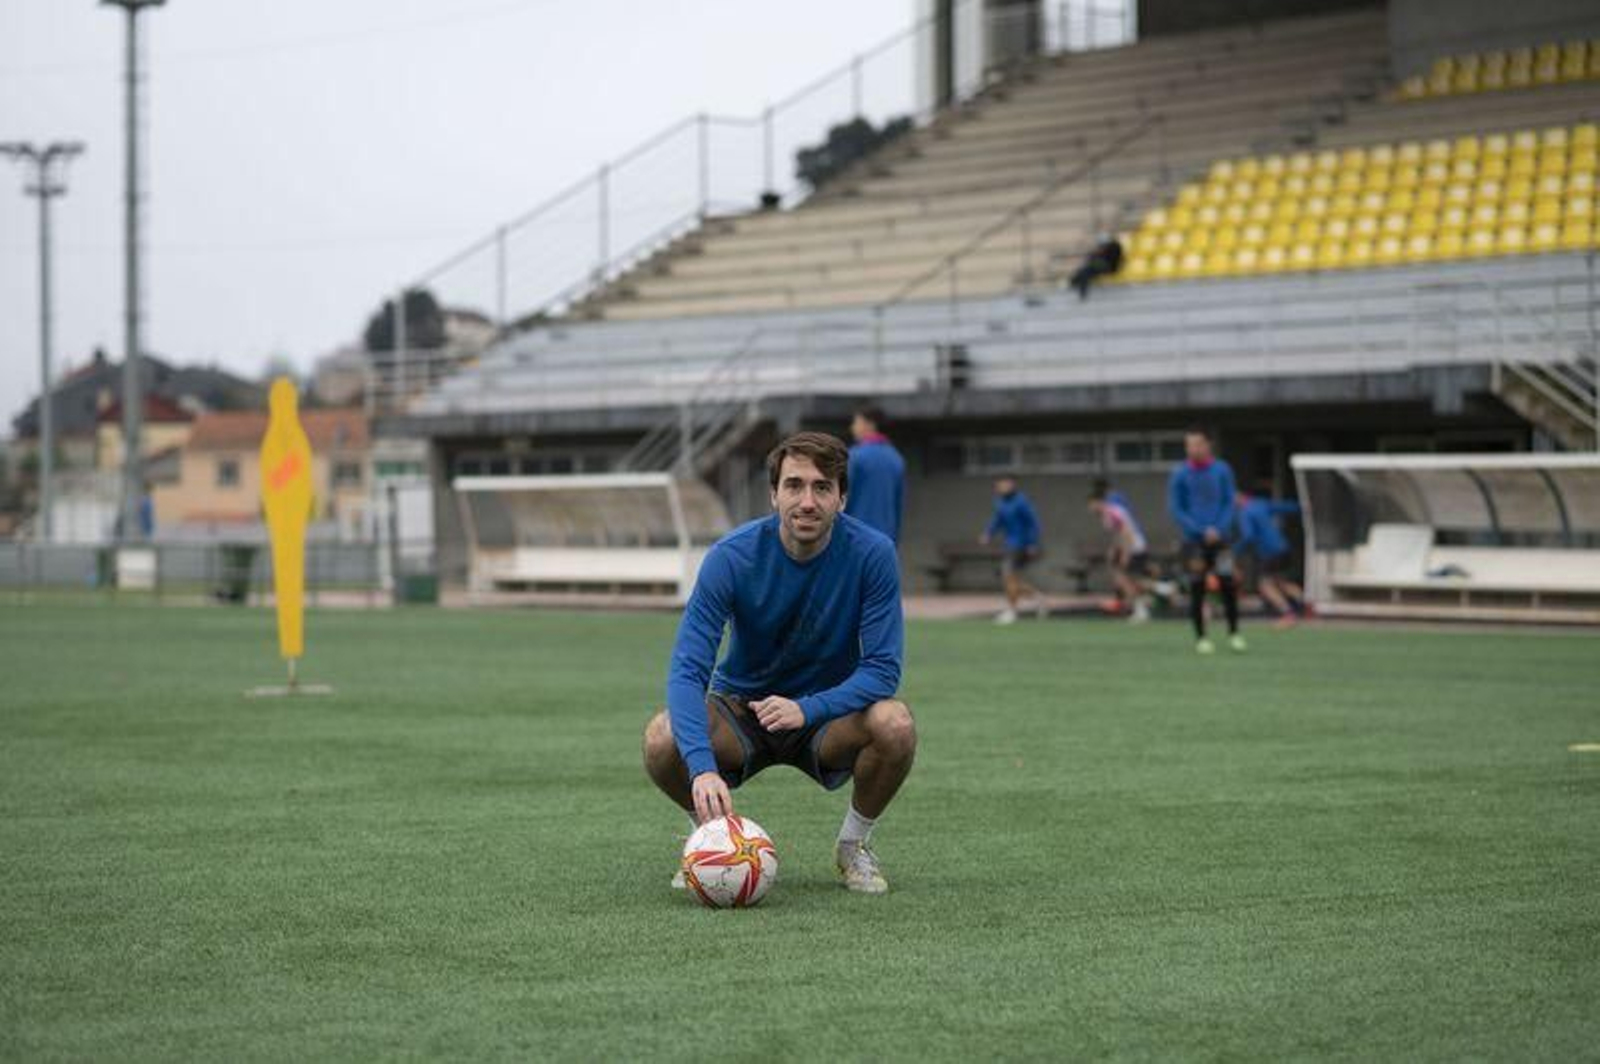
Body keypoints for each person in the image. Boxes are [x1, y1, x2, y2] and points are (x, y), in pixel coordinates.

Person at [643, 431, 915, 895]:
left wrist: (807, 708)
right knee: (663, 737)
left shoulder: (873, 553)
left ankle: (852, 846)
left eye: (822, 487)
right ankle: (710, 840)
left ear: (842, 498)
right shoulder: (731, 556)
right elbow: (689, 670)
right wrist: (703, 766)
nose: (807, 501)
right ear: (773, 494)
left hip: (827, 717)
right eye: (794, 485)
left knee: (895, 724)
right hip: (742, 710)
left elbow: (883, 669)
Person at [1167, 428, 1244, 654]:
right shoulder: (1180, 474)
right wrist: (1200, 530)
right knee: (1197, 587)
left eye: (1197, 444)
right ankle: (1201, 638)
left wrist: (1218, 529)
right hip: (1194, 542)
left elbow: (1229, 502)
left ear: (1208, 445)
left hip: (1222, 540)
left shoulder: (1222, 470)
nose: (1193, 449)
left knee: (1228, 585)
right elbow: (1176, 509)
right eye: (1188, 445)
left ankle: (1234, 633)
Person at [1234, 482, 1307, 627]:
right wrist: (1302, 506)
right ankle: (1308, 607)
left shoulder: (1245, 512)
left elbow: (1248, 536)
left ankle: (1288, 614)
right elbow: (1284, 507)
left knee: (1264, 585)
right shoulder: (1260, 503)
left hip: (1270, 552)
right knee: (1282, 583)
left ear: (1240, 498)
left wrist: (1236, 550)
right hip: (1284, 548)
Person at [980, 475, 1043, 625]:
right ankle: (1036, 596)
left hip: (1021, 545)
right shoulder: (1000, 503)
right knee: (1010, 578)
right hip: (1009, 544)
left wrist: (1032, 544)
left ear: (1012, 485)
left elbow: (1033, 523)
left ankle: (1013, 611)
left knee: (1008, 575)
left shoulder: (1021, 502)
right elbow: (997, 520)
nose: (1001, 487)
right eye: (999, 485)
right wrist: (988, 533)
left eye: (1005, 484)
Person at [1088, 481, 1151, 622]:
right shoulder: (1109, 512)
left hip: (1134, 547)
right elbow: (1117, 533)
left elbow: (1126, 531)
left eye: (1091, 504)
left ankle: (1140, 609)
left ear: (1098, 501)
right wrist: (1113, 549)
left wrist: (1125, 553)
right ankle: (1160, 591)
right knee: (1128, 579)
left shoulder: (1111, 511)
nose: (1090, 508)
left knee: (1123, 579)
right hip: (1132, 546)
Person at [844, 404, 905, 545]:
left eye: (856, 422)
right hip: (886, 538)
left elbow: (842, 499)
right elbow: (898, 505)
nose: (852, 427)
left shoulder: (854, 456)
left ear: (869, 424)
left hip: (855, 537)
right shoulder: (896, 457)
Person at [1069, 235, 1124, 301]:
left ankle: (1078, 287)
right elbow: (1094, 258)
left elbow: (1112, 261)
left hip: (1108, 268)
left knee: (1085, 271)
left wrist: (1097, 257)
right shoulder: (1105, 250)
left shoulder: (1113, 248)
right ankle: (1075, 283)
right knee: (1085, 270)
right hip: (1100, 266)